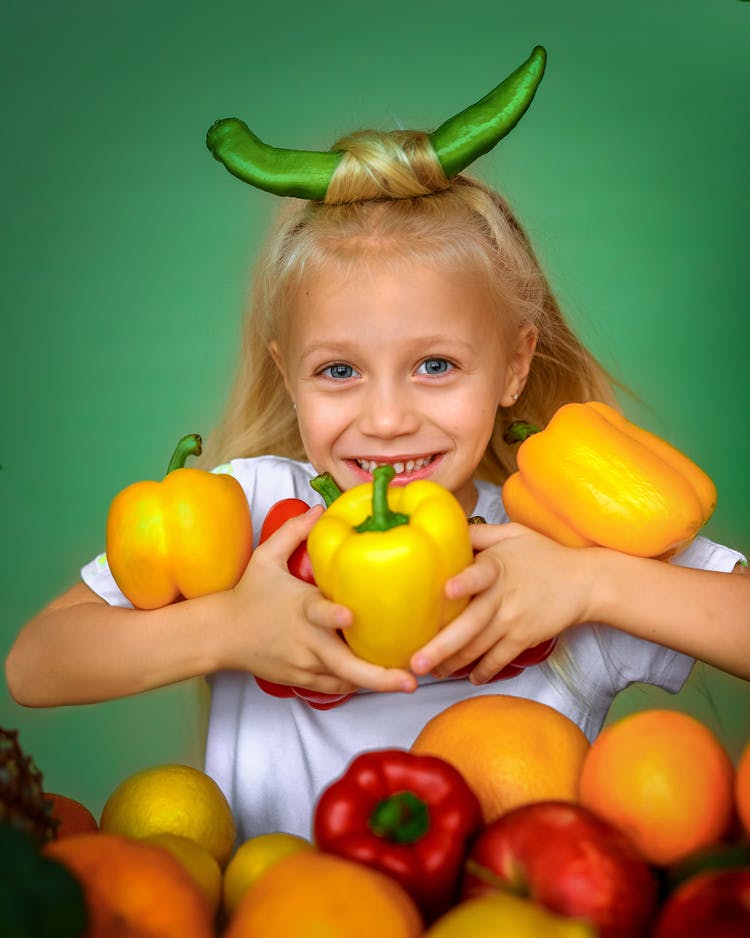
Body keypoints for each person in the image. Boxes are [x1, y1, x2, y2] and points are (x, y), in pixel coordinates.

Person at [6, 50, 749, 843]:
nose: (387, 419)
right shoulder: (248, 514)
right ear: (287, 377)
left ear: (514, 365)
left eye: (436, 365)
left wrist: (596, 584)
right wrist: (228, 628)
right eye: (339, 370)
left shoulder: (557, 539)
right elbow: (35, 666)